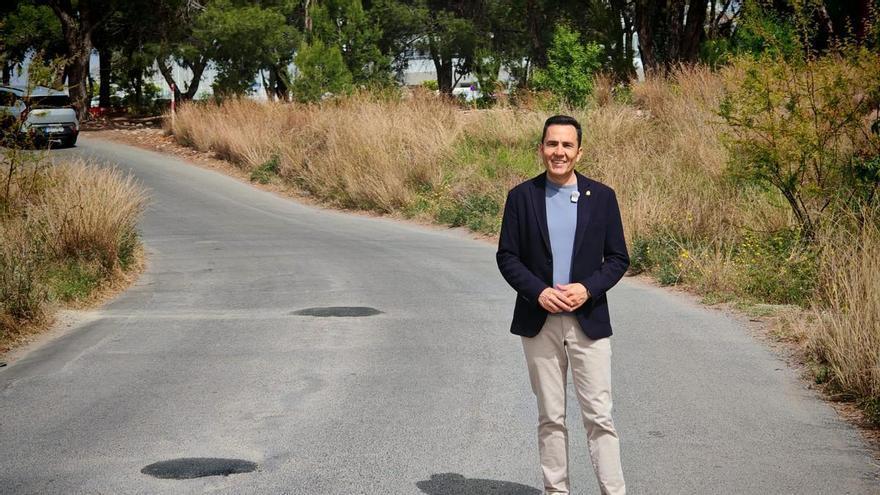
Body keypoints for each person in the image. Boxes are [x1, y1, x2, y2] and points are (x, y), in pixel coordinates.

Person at [496, 115, 629, 494]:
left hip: (588, 321)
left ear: (579, 152)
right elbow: (507, 256)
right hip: (539, 321)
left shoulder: (602, 197)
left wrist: (587, 289)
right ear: (541, 148)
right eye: (552, 144)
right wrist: (538, 291)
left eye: (567, 145)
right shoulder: (521, 197)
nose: (559, 152)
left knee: (599, 416)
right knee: (551, 417)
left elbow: (617, 258)